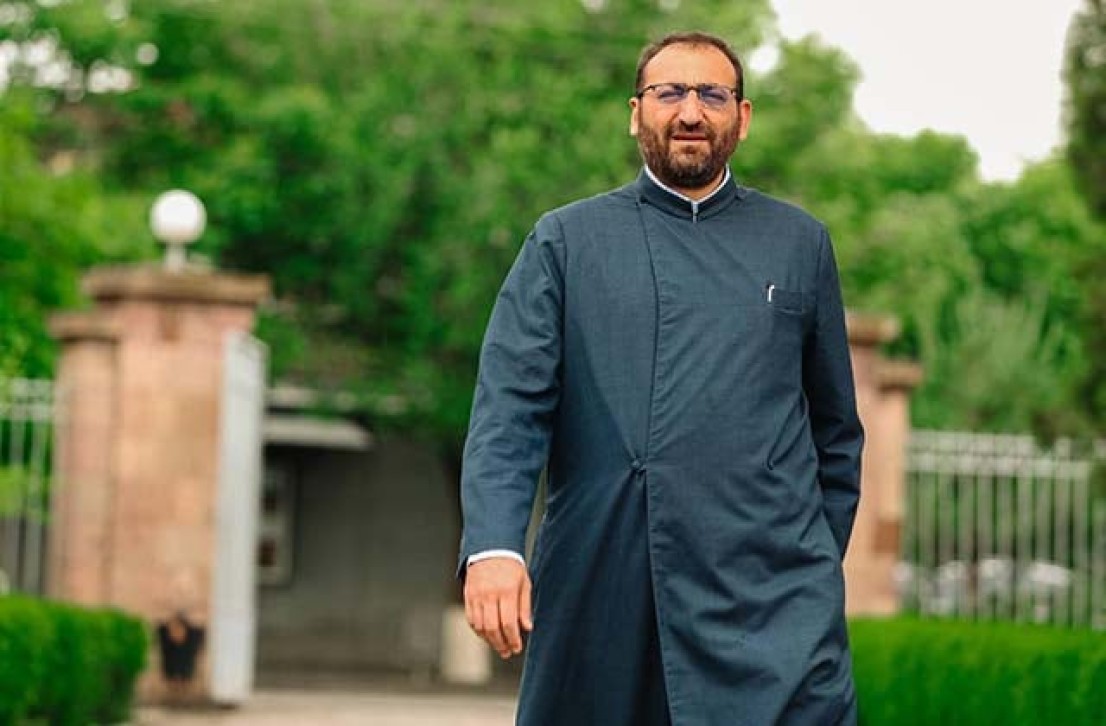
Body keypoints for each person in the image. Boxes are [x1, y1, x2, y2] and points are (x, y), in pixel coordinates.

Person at [458, 30, 864, 726]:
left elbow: (836, 433)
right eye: (669, 92)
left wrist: (808, 563)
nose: (690, 112)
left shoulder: (800, 243)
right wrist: (494, 547)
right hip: (608, 577)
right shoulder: (565, 241)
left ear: (743, 116)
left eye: (712, 95)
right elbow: (509, 412)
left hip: (770, 599)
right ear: (635, 112)